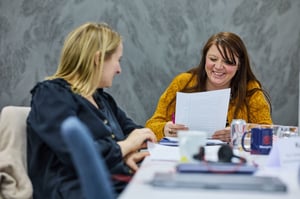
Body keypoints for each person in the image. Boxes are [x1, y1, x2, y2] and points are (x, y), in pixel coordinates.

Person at [26, 22, 157, 198]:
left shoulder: (103, 100)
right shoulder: (51, 95)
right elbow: (77, 153)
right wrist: (125, 147)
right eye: (117, 60)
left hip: (119, 184)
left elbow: (137, 133)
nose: (119, 69)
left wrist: (128, 153)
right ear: (97, 59)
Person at [145, 32, 272, 143]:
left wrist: (240, 132)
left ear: (239, 65)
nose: (218, 66)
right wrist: (165, 129)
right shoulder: (183, 82)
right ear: (204, 58)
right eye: (213, 59)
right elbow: (151, 126)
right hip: (186, 156)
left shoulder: (249, 88)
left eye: (228, 62)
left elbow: (268, 132)